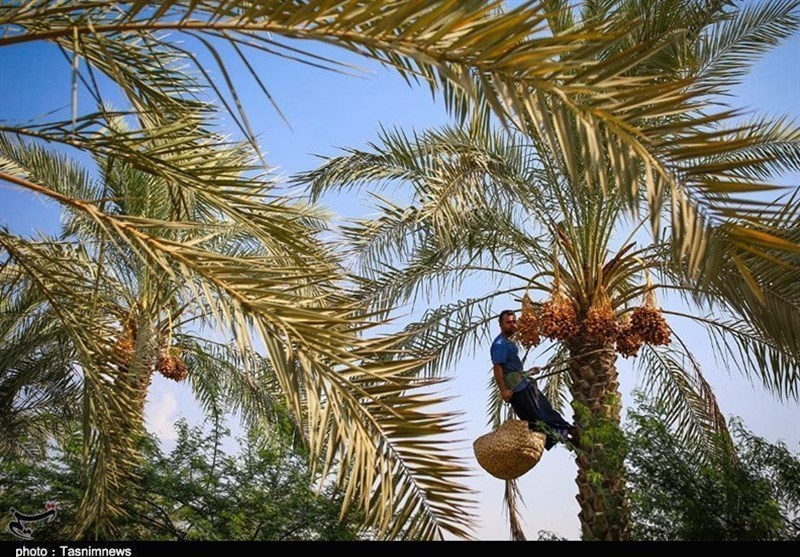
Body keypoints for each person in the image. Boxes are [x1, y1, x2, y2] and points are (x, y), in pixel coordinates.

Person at [491, 309, 578, 450]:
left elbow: (512, 368)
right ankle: (568, 434)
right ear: (500, 325)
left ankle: (568, 433)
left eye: (514, 322)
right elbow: (498, 368)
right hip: (517, 389)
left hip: (523, 384)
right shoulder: (500, 344)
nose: (512, 325)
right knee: (536, 418)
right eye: (508, 323)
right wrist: (503, 391)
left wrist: (529, 372)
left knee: (543, 412)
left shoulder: (508, 343)